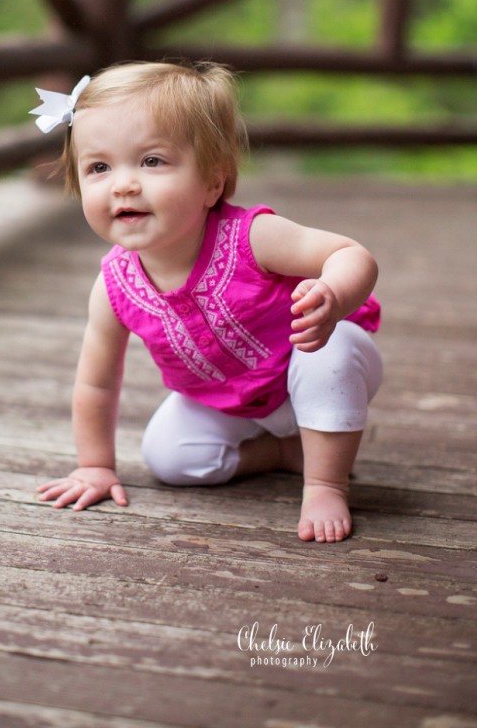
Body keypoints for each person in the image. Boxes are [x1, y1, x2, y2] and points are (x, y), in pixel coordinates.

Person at [33, 61, 382, 543]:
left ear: (213, 183)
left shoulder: (252, 237)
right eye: (99, 167)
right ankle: (282, 452)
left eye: (152, 161)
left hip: (310, 361)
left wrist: (333, 296)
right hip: (228, 400)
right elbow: (96, 384)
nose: (123, 184)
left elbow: (350, 254)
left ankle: (324, 482)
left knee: (329, 355)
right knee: (170, 458)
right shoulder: (114, 286)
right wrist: (95, 466)